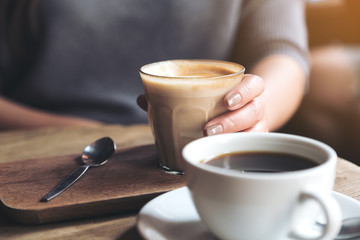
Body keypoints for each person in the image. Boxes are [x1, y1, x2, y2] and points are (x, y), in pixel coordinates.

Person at [0, 0, 309, 134]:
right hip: (36, 150)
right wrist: (67, 132)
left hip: (196, 154)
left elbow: (283, 53)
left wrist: (257, 111)